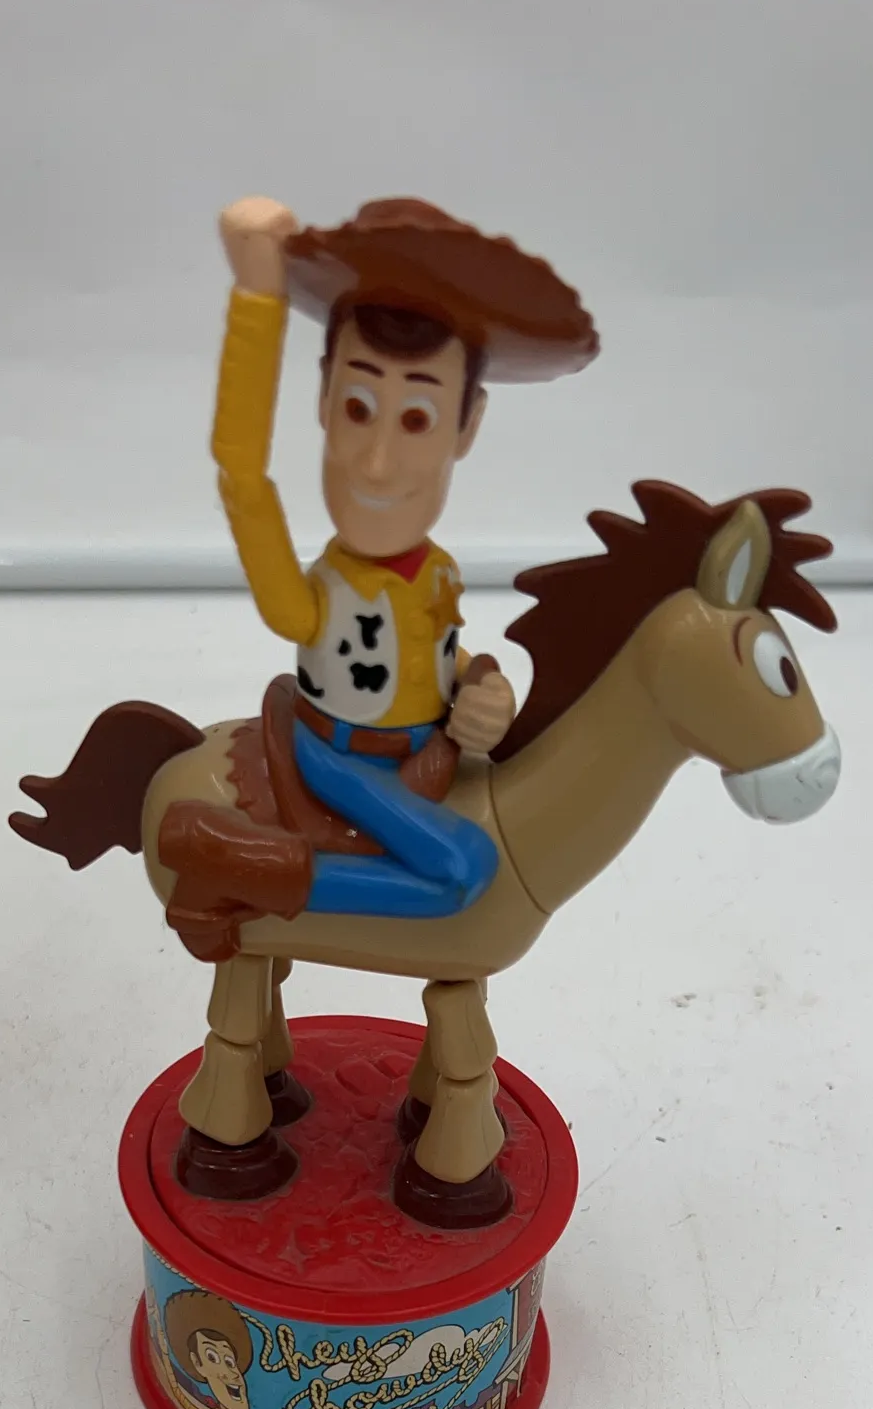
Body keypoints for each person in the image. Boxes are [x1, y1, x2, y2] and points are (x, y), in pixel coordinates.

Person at [212, 196, 598, 919]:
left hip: (426, 755)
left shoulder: (440, 570)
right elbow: (242, 473)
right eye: (357, 408)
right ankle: (261, 877)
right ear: (323, 398)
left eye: (417, 418)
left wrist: (483, 687)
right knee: (465, 868)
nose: (378, 464)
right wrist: (257, 295)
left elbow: (438, 655)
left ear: (467, 425)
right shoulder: (318, 597)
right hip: (336, 759)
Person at [159, 1288, 309, 1409]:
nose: (232, 1374)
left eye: (230, 1362)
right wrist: (164, 1354)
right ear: (196, 1363)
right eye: (212, 1357)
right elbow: (178, 1393)